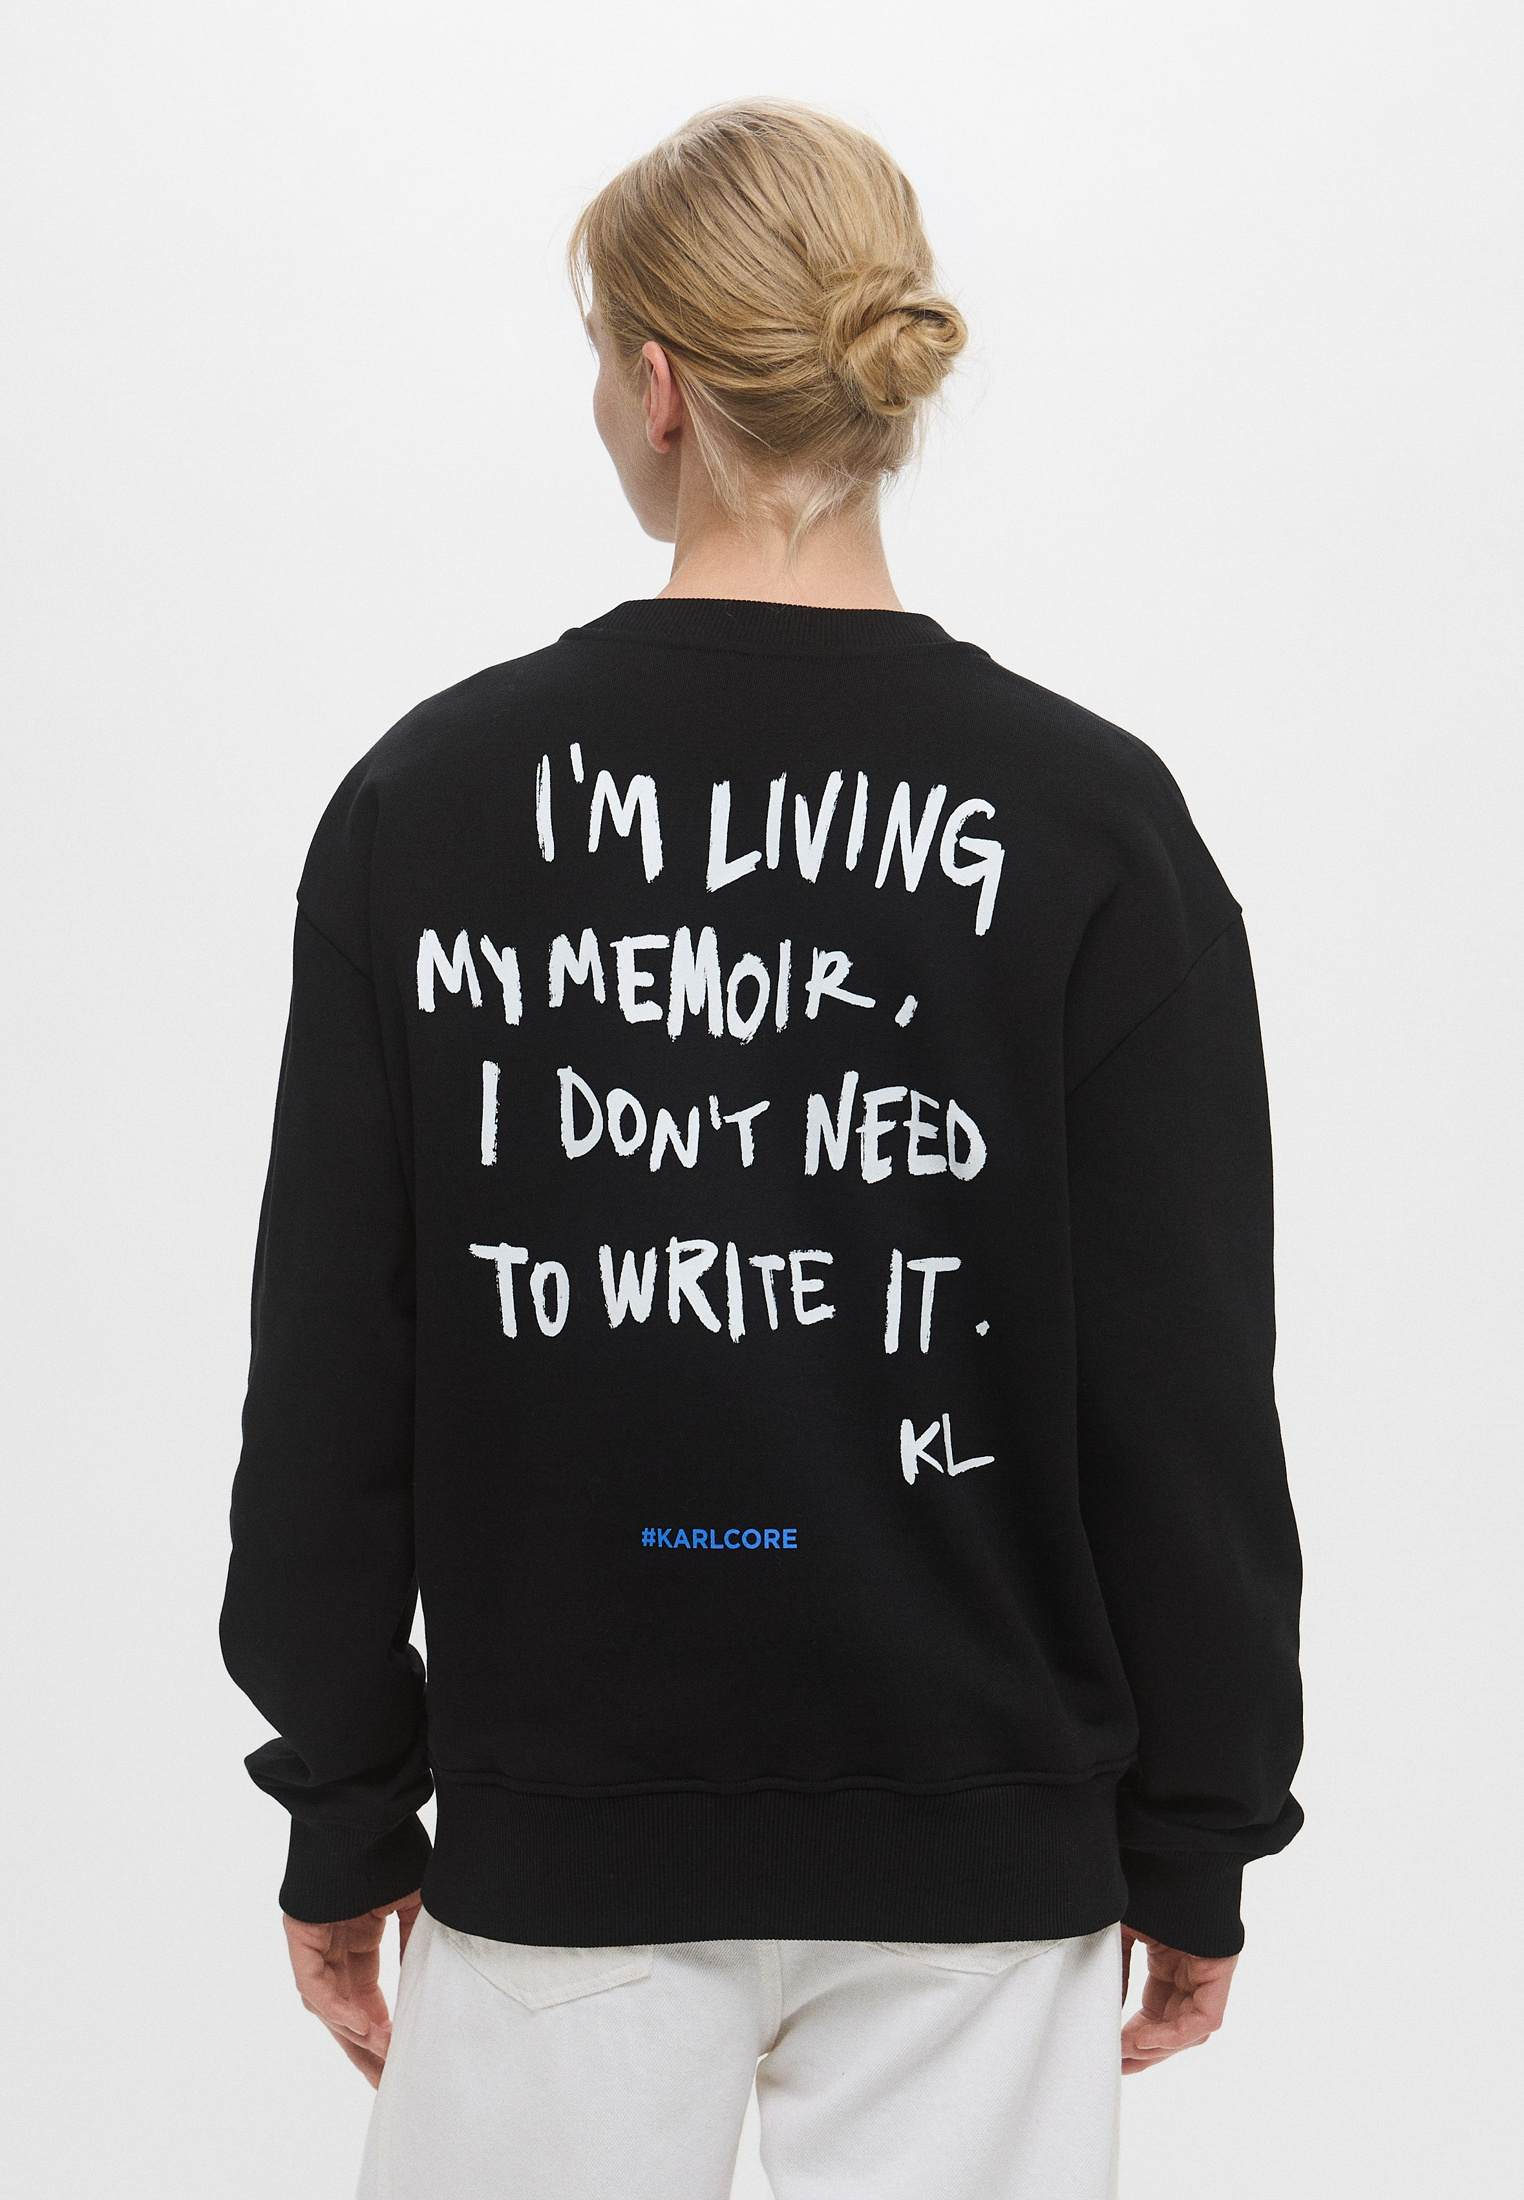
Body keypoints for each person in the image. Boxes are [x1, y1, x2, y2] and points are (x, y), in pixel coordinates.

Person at [220, 98, 1304, 2200]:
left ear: (657, 386)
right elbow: (1184, 1389)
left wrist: (346, 1803)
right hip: (980, 1850)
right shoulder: (1092, 825)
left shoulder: (431, 808)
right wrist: (1201, 1826)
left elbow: (334, 1373)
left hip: (561, 1842)